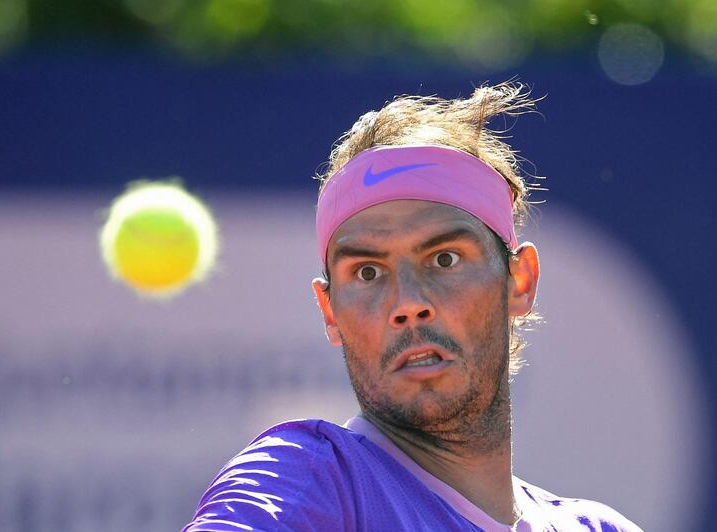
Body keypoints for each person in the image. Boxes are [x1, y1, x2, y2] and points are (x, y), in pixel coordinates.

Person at [183, 83, 641, 531]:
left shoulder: (601, 527)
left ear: (519, 281)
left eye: (444, 259)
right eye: (367, 273)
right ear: (330, 311)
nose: (408, 304)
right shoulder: (309, 480)